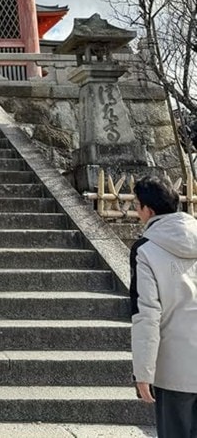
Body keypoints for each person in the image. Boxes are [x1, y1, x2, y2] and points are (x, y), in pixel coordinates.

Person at [130, 175, 197, 438]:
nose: (136, 211)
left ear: (149, 210)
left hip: (174, 368)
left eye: (137, 205)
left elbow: (146, 314)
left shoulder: (145, 250)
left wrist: (142, 372)